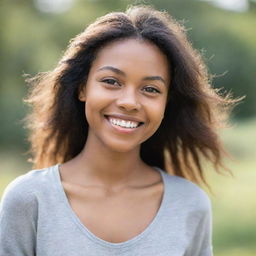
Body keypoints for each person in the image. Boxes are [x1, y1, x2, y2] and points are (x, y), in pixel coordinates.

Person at [0, 5, 236, 256]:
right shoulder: (29, 200)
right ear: (82, 89)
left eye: (151, 89)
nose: (129, 102)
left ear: (166, 103)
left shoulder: (190, 205)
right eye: (111, 82)